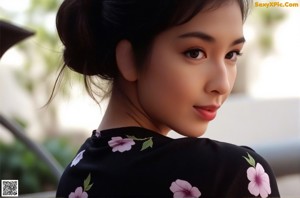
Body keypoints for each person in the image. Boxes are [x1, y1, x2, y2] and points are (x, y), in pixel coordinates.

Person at [55, 0, 280, 197]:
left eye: (232, 55)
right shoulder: (233, 175)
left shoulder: (75, 179)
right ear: (129, 58)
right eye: (195, 52)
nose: (222, 84)